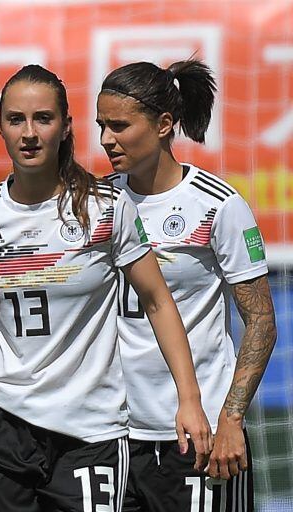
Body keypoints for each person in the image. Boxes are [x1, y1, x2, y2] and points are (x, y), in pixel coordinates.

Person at [0, 64, 212, 511]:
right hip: (4, 425)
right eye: (16, 120)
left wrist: (189, 400)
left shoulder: (105, 208)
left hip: (90, 432)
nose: (30, 133)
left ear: (66, 126)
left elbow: (157, 301)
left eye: (43, 119)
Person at [96, 60, 277, 511]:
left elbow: (261, 322)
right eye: (101, 125)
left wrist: (231, 418)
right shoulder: (97, 203)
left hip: (199, 434)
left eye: (119, 126)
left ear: (163, 125)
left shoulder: (218, 205)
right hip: (111, 434)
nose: (106, 140)